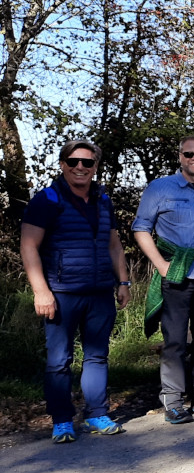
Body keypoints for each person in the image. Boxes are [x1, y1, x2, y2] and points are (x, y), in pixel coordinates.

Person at [20, 139, 131, 442]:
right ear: (63, 165)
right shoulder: (47, 200)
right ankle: (62, 421)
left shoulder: (103, 200)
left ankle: (97, 414)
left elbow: (114, 244)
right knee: (59, 360)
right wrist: (41, 291)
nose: (80, 167)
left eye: (87, 162)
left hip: (99, 293)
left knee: (97, 356)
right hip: (61, 293)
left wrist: (123, 281)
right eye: (73, 162)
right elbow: (29, 246)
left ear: (95, 167)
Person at [133, 135, 194, 424]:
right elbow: (140, 228)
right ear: (180, 156)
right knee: (174, 341)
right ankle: (172, 401)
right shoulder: (160, 188)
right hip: (175, 274)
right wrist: (160, 265)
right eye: (189, 154)